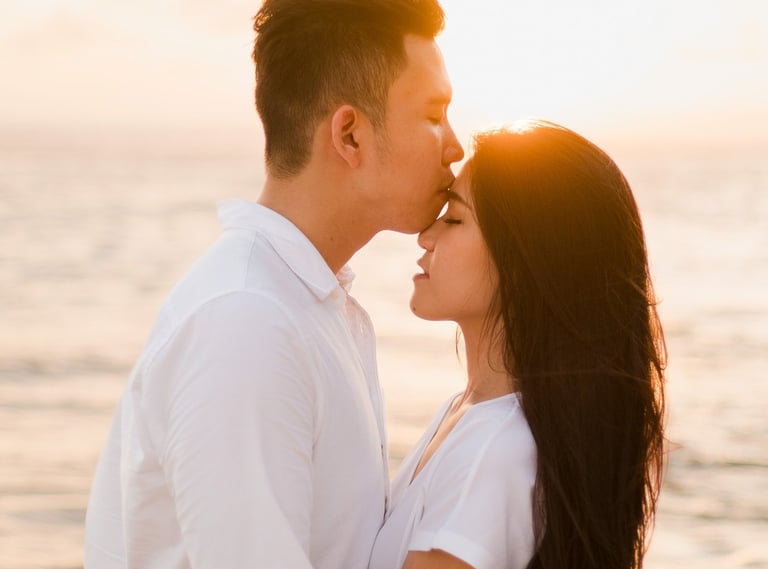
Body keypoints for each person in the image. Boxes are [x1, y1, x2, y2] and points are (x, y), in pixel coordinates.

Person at [84, 0, 464, 567]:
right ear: (350, 135)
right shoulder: (247, 322)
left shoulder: (306, 305)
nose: (455, 145)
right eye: (434, 115)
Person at [369, 120, 667, 569]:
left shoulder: (494, 451)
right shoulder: (472, 415)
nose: (425, 237)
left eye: (454, 219)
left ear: (523, 260)